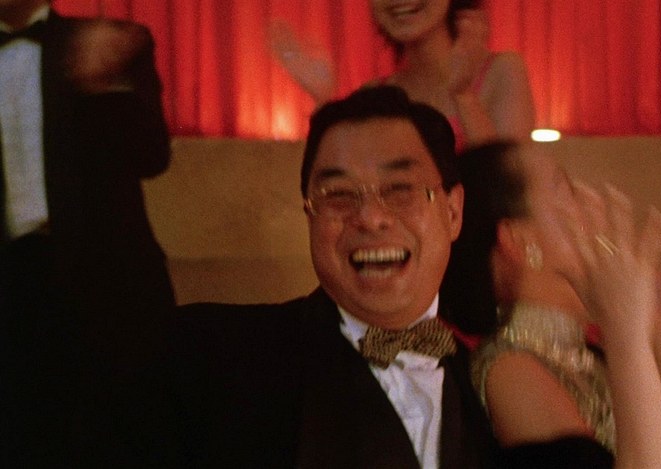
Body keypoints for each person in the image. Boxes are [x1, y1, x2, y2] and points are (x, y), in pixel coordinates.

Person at [155, 85, 498, 468]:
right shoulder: (211, 358)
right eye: (338, 194)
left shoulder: (500, 383)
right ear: (310, 216)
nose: (370, 218)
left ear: (453, 212)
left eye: (400, 189)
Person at [441, 141, 661, 468]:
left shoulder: (587, 356)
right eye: (565, 190)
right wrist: (628, 338)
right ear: (517, 239)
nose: (591, 204)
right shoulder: (512, 371)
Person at [0, 0, 174, 465]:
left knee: (120, 439)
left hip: (104, 286)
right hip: (11, 292)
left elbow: (153, 155)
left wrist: (105, 88)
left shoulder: (109, 42)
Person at [271, 0, 535, 150]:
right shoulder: (375, 96)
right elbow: (347, 186)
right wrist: (323, 103)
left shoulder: (502, 71)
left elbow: (508, 188)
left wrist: (464, 97)